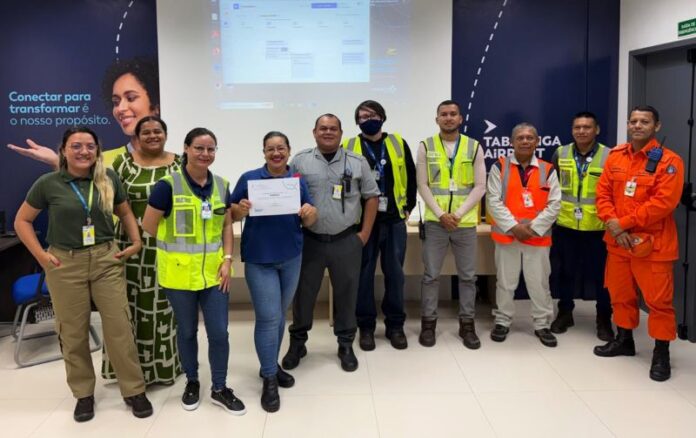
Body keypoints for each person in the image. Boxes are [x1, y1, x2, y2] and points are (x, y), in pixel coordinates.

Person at [14, 127, 152, 422]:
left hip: (105, 259)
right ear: (63, 150)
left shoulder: (108, 178)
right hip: (65, 264)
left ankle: (134, 390)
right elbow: (22, 221)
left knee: (120, 328)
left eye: (90, 146)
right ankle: (83, 394)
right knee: (72, 332)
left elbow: (125, 212)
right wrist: (41, 255)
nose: (84, 151)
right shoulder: (48, 183)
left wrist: (136, 241)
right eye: (76, 146)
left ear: (97, 151)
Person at [142, 127, 245, 414]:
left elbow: (226, 225)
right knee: (187, 331)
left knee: (219, 333)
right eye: (199, 148)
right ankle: (192, 381)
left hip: (214, 275)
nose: (205, 154)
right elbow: (148, 225)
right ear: (186, 148)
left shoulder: (222, 185)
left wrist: (227, 259)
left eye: (211, 149)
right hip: (178, 276)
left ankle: (220, 388)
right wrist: (177, 252)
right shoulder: (167, 186)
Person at [282, 114, 380, 372]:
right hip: (309, 241)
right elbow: (287, 194)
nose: (328, 132)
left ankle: (345, 344)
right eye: (323, 128)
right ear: (314, 132)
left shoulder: (357, 162)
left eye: (333, 128)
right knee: (303, 295)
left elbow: (372, 197)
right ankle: (298, 343)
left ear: (341, 133)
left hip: (346, 240)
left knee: (347, 295)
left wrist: (364, 234)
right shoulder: (300, 161)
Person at [593, 105, 684, 382]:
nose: (637, 125)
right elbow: (602, 193)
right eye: (633, 121)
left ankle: (661, 352)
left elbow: (663, 203)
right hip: (618, 242)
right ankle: (624, 340)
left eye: (644, 121)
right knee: (620, 294)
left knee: (659, 303)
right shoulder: (616, 156)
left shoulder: (670, 161)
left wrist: (624, 223)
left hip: (653, 245)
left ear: (656, 126)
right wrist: (613, 223)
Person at [230, 131, 317, 413]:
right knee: (268, 319)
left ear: (289, 151)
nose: (276, 153)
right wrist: (241, 209)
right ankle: (269, 377)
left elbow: (310, 217)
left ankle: (270, 364)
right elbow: (231, 213)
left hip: (291, 257)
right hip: (260, 260)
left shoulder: (297, 181)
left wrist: (309, 213)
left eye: (281, 148)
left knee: (279, 316)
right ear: (264, 152)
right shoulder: (249, 178)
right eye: (270, 149)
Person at [101, 116, 182, 385]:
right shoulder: (122, 163)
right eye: (145, 132)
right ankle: (128, 371)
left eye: (157, 131)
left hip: (167, 246)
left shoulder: (180, 163)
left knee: (165, 308)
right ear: (136, 137)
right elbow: (109, 201)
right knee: (127, 308)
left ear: (165, 134)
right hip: (130, 247)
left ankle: (165, 367)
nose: (152, 136)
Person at [342, 100, 417, 351]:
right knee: (363, 275)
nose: (368, 119)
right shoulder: (348, 146)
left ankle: (395, 325)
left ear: (383, 117)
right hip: (363, 223)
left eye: (372, 115)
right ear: (357, 122)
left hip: (394, 221)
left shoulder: (397, 142)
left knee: (395, 275)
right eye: (363, 116)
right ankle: (365, 326)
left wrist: (408, 207)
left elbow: (410, 175)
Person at [416, 100, 486, 349]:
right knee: (430, 276)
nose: (448, 118)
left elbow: (480, 186)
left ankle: (467, 325)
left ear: (460, 118)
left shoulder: (473, 146)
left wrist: (456, 214)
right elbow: (422, 185)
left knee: (467, 277)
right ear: (437, 119)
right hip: (436, 223)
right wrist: (441, 214)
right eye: (443, 114)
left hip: (464, 223)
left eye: (453, 114)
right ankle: (428, 325)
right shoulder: (426, 146)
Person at [7, 56, 160, 168]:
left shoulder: (171, 160)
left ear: (156, 105)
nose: (120, 108)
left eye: (131, 98)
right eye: (116, 102)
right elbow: (81, 183)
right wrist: (55, 160)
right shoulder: (104, 161)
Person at [486, 122, 561, 347]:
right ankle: (502, 321)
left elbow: (555, 204)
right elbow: (493, 201)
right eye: (520, 138)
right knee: (505, 282)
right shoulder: (499, 166)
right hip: (508, 236)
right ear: (512, 142)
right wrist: (514, 227)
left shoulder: (548, 169)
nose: (525, 141)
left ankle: (542, 324)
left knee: (539, 283)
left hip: (537, 238)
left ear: (537, 142)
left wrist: (533, 229)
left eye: (530, 138)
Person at [549, 112, 614, 341]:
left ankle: (603, 319)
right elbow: (552, 187)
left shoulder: (609, 156)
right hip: (566, 225)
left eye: (587, 127)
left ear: (596, 130)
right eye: (577, 127)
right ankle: (565, 313)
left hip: (598, 227)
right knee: (565, 273)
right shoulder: (561, 153)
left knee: (602, 277)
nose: (582, 131)